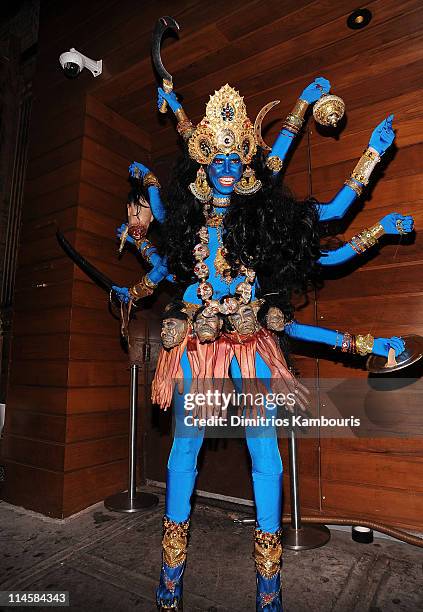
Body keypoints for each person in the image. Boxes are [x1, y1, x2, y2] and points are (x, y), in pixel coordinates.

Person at [112, 78, 414, 611]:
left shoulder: (266, 221)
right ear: (204, 162)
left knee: (265, 453)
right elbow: (160, 228)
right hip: (198, 348)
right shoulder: (184, 222)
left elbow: (333, 228)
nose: (228, 168)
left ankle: (269, 584)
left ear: (245, 163)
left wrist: (373, 160)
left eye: (236, 159)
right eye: (218, 159)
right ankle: (171, 574)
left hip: (251, 343)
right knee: (186, 449)